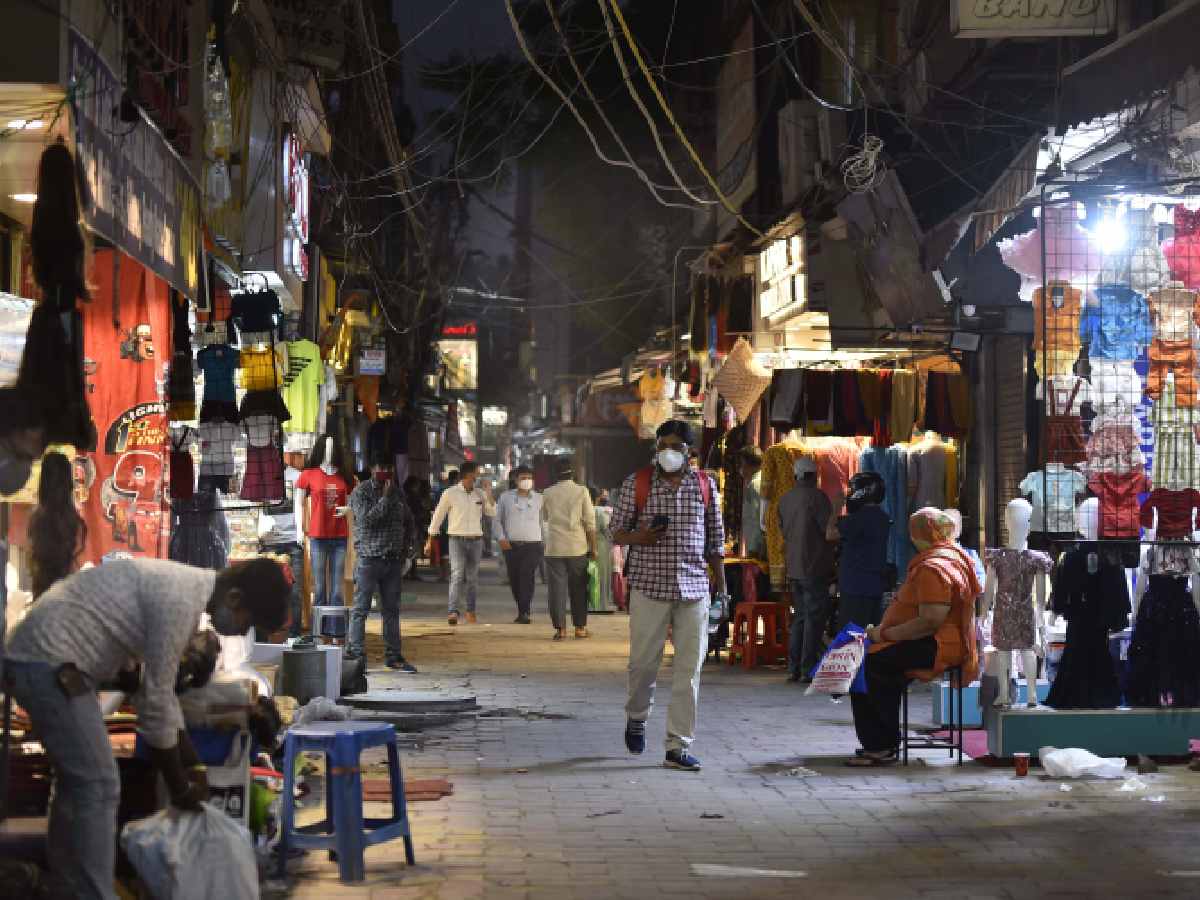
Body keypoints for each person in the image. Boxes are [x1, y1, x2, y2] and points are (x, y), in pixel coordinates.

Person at [5, 558, 290, 899]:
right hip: (46, 660)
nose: (244, 632)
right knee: (98, 783)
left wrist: (191, 763)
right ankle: (90, 892)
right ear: (233, 598)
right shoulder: (179, 600)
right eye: (250, 621)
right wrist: (180, 786)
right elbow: (155, 703)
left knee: (81, 785)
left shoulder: (184, 592)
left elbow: (154, 695)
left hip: (43, 657)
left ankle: (68, 888)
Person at [611, 420, 727, 772]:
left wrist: (721, 584)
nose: (666, 452)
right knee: (643, 665)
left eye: (675, 446)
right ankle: (637, 716)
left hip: (694, 590)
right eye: (662, 445)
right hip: (649, 587)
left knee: (689, 671)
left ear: (689, 452)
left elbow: (715, 541)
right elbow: (615, 531)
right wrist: (639, 537)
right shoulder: (639, 483)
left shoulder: (706, 487)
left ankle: (678, 746)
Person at [848, 508, 982, 766]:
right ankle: (882, 740)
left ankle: (881, 746)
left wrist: (884, 634)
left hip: (938, 644)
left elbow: (929, 621)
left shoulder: (934, 567)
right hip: (938, 641)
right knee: (873, 660)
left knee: (868, 664)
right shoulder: (952, 557)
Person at [347, 456, 418, 671]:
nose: (386, 471)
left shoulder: (397, 491)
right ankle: (357, 655)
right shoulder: (361, 492)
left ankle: (394, 655)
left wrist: (407, 547)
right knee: (361, 609)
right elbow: (366, 521)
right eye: (382, 467)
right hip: (369, 558)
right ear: (372, 468)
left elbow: (407, 519)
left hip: (393, 559)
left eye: (389, 467)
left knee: (391, 610)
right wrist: (385, 499)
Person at [777, 456, 834, 682]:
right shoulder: (818, 498)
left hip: (793, 566)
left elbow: (782, 528)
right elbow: (828, 532)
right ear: (814, 476)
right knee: (813, 617)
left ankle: (794, 667)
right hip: (814, 565)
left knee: (800, 617)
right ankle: (808, 667)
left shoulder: (785, 499)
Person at [427, 460, 495, 625]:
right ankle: (453, 611)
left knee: (472, 578)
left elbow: (492, 511)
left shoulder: (480, 493)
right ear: (468, 475)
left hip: (476, 541)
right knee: (457, 575)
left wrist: (488, 492)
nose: (478, 477)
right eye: (476, 474)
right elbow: (438, 516)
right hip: (456, 540)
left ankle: (470, 611)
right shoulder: (450, 493)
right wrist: (430, 539)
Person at [541, 457, 596, 640]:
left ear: (555, 474)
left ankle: (561, 629)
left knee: (556, 590)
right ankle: (580, 628)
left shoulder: (547, 493)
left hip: (555, 547)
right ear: (573, 473)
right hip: (577, 547)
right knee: (578, 589)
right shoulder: (582, 491)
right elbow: (590, 522)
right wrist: (593, 548)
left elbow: (544, 518)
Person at [829, 471, 891, 631]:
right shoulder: (882, 517)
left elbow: (830, 534)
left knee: (852, 639)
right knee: (869, 637)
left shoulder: (859, 519)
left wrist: (836, 507)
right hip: (874, 586)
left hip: (856, 587)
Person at [29, 450, 86, 599]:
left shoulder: (36, 519)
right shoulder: (75, 521)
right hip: (69, 594)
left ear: (43, 482)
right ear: (68, 482)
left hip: (42, 592)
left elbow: (33, 555)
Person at [494, 464, 543, 623]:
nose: (527, 481)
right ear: (516, 480)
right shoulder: (505, 497)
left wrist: (546, 542)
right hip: (511, 546)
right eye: (523, 478)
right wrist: (501, 538)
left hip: (533, 545)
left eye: (529, 478)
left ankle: (524, 612)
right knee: (514, 579)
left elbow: (545, 522)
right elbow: (497, 520)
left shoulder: (539, 499)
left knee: (526, 576)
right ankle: (522, 609)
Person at [738, 447, 766, 560]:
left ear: (750, 465)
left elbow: (757, 518)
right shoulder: (763, 480)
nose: (741, 469)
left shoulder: (754, 485)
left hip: (758, 548)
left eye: (742, 464)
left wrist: (754, 548)